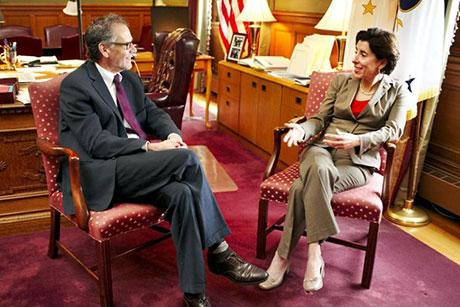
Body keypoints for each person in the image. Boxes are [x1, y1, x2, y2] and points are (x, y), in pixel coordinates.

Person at [59, 14, 267, 307]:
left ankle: (194, 295)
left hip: (135, 168)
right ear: (105, 49)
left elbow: (151, 113)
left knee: (182, 193)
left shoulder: (129, 78)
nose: (135, 50)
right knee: (188, 161)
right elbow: (96, 144)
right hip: (102, 171)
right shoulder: (76, 86)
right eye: (127, 44)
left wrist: (171, 134)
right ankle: (220, 251)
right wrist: (148, 148)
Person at [258, 28, 413, 293]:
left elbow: (393, 131)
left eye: (363, 54)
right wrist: (301, 130)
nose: (354, 58)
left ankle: (282, 259)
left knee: (300, 187)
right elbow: (319, 120)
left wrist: (359, 141)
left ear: (382, 61)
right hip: (321, 149)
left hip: (357, 162)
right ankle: (315, 255)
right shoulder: (341, 82)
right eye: (356, 51)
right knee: (318, 167)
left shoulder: (397, 90)